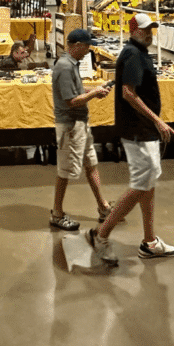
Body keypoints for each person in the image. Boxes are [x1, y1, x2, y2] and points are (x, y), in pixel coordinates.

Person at [89, 13, 174, 264]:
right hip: (138, 130)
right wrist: (157, 120)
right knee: (142, 183)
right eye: (144, 29)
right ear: (133, 30)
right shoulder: (132, 54)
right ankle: (102, 234)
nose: (149, 33)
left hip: (143, 129)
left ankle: (149, 242)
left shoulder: (139, 52)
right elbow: (128, 93)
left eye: (151, 29)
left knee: (148, 183)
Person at [49, 29, 113, 231]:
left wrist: (93, 90)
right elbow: (71, 101)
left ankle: (104, 208)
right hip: (70, 126)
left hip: (80, 125)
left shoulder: (71, 64)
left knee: (91, 164)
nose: (88, 50)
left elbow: (76, 92)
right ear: (76, 45)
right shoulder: (65, 67)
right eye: (86, 46)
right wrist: (93, 94)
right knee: (65, 170)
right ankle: (57, 214)